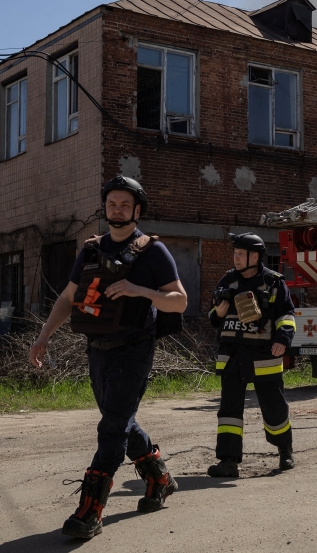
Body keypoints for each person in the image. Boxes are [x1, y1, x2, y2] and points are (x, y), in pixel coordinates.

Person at [28, 175, 188, 540]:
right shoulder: (90, 250)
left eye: (124, 205)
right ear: (106, 208)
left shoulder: (153, 252)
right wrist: (43, 337)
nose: (117, 210)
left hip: (135, 349)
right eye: (111, 204)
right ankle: (159, 478)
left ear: (137, 210)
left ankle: (89, 511)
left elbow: (179, 301)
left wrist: (140, 290)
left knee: (112, 427)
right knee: (121, 422)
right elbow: (68, 298)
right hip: (97, 349)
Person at [207, 233, 297, 478]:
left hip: (263, 356)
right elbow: (213, 317)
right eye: (234, 254)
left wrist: (282, 340)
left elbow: (287, 315)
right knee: (228, 411)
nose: (235, 258)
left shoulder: (274, 283)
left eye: (240, 254)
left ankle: (284, 450)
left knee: (274, 407)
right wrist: (218, 311)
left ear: (255, 256)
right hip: (233, 356)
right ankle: (228, 461)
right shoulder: (228, 280)